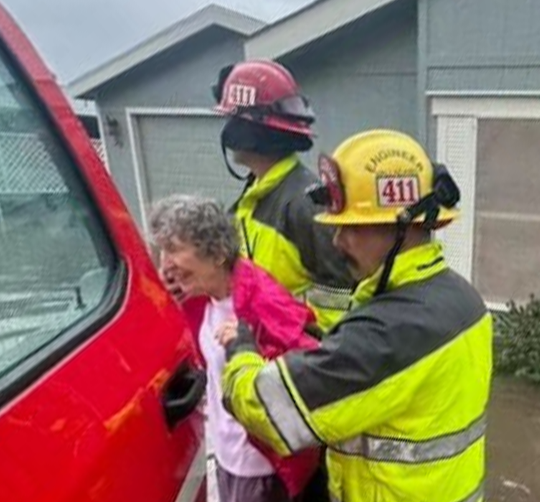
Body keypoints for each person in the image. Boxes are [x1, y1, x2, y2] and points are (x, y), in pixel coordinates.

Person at [217, 129, 493, 502]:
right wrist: (328, 344)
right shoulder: (462, 298)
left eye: (351, 226)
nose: (337, 241)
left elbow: (267, 412)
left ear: (403, 224)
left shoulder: (388, 331)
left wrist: (241, 351)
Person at [149, 194, 323, 502]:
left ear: (216, 253)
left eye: (174, 249)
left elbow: (312, 366)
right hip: (227, 453)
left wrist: (251, 352)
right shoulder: (203, 294)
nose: (165, 262)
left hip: (259, 466)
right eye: (162, 250)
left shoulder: (261, 299)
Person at [211, 59, 354, 333]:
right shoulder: (255, 195)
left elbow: (340, 300)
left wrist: (294, 336)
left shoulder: (305, 204)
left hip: (293, 359)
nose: (227, 131)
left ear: (250, 133)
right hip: (256, 350)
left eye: (233, 119)